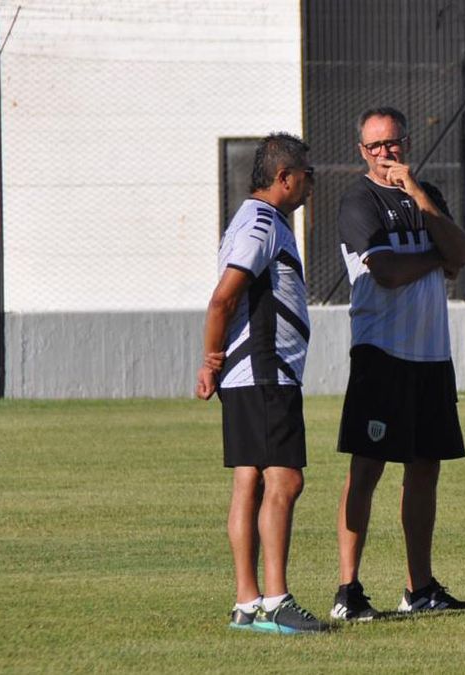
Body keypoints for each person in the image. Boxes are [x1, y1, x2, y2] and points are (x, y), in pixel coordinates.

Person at [329, 106, 465, 621]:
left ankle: (420, 587)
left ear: (406, 144)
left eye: (392, 143)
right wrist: (438, 260)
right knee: (366, 469)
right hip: (382, 354)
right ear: (361, 151)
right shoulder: (358, 200)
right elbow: (387, 271)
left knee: (425, 470)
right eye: (374, 146)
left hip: (431, 354)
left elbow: (464, 251)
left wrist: (417, 195)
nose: (385, 153)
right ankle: (348, 589)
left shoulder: (425, 195)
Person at [195, 132, 329, 634]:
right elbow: (223, 298)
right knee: (286, 480)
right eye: (307, 176)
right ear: (284, 178)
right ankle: (275, 600)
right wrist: (210, 360)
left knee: (249, 481)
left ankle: (247, 604)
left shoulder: (249, 220)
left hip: (254, 373)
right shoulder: (261, 223)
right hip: (264, 370)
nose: (310, 185)